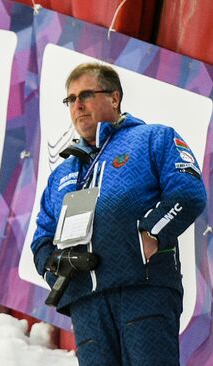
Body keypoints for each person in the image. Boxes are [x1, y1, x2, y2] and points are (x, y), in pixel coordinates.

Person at [31, 63, 206, 366]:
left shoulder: (153, 139)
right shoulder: (63, 173)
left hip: (143, 290)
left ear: (114, 98)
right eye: (70, 99)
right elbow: (41, 237)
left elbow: (187, 192)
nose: (78, 105)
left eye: (86, 94)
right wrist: (54, 267)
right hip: (87, 304)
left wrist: (149, 235)